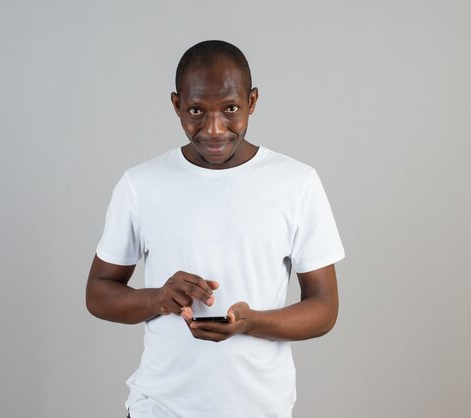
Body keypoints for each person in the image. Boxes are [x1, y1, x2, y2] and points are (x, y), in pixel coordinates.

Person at [86, 40, 345, 418]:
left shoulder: (296, 182)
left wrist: (253, 322)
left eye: (230, 109)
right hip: (159, 408)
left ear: (252, 102)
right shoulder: (140, 185)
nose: (213, 128)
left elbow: (324, 308)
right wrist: (159, 298)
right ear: (176, 105)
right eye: (195, 110)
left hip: (260, 409)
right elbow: (98, 293)